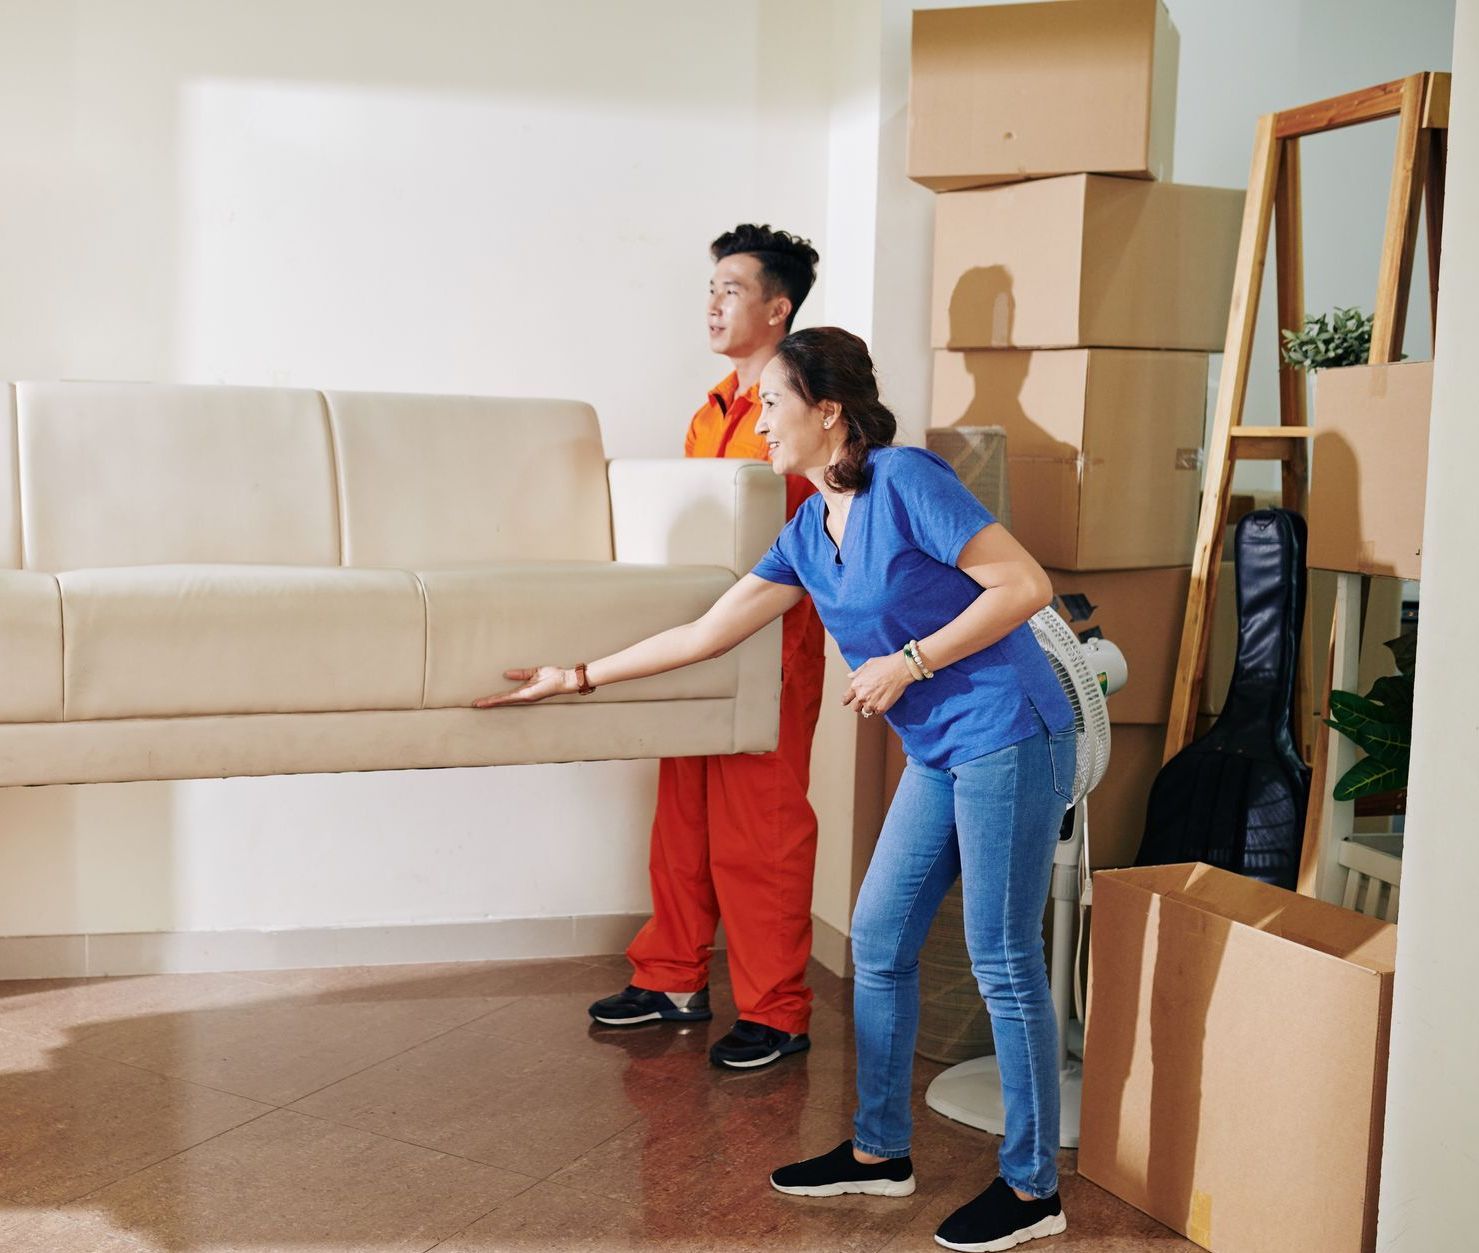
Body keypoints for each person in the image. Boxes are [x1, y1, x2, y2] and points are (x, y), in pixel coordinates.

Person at [475, 327, 1076, 1251]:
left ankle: (1033, 1189)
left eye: (771, 402)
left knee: (999, 956)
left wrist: (907, 662)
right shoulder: (806, 526)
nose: (757, 420)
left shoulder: (908, 480)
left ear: (826, 409)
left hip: (1008, 731)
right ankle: (880, 1154)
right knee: (876, 942)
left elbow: (1023, 584)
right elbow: (708, 631)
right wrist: (579, 675)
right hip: (939, 749)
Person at [588, 224, 828, 1071]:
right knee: (681, 818)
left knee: (757, 832)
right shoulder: (710, 411)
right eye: (711, 288)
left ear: (778, 306)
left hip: (772, 644)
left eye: (732, 288)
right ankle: (671, 976)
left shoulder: (797, 409)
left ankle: (775, 1010)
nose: (714, 303)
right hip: (699, 642)